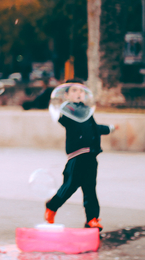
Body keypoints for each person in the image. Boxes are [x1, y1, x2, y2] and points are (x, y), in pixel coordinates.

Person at [44, 80, 115, 230]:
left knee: (90, 189)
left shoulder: (86, 111)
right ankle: (52, 206)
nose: (79, 94)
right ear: (66, 94)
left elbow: (94, 128)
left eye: (81, 91)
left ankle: (92, 219)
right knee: (70, 185)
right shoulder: (67, 110)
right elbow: (62, 120)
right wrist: (61, 109)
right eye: (74, 91)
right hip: (77, 156)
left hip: (91, 155)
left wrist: (110, 128)